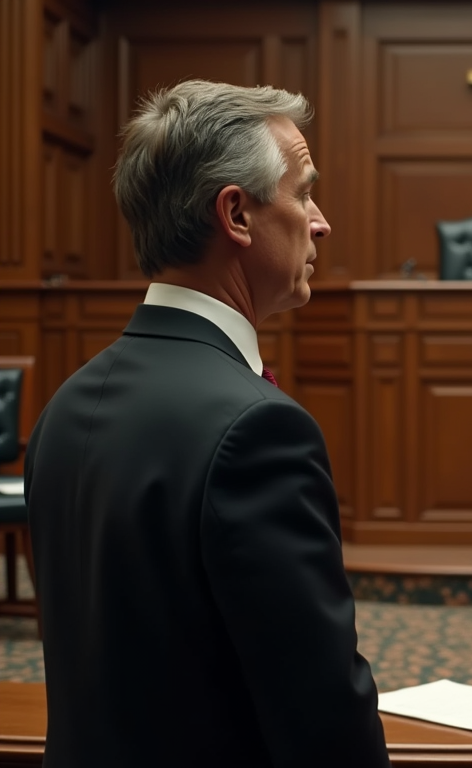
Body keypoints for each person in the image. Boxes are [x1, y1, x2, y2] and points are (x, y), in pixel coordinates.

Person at [25, 80, 391, 767]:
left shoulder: (65, 406)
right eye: (304, 192)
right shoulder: (259, 431)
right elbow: (322, 719)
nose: (321, 222)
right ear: (238, 215)